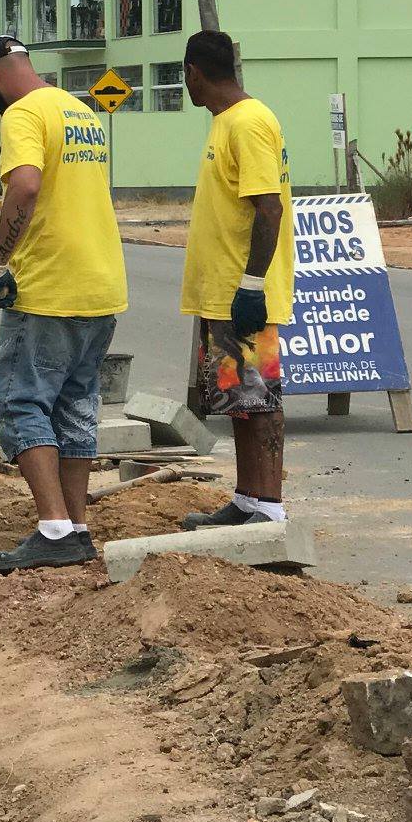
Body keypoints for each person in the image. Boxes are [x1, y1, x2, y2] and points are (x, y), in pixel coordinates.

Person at [0, 34, 129, 572]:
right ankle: (77, 526)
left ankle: (54, 529)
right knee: (75, 405)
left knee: (18, 402)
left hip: (50, 286)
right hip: (100, 282)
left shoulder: (21, 114)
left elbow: (27, 186)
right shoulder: (79, 110)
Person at [176, 29, 294, 528]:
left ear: (194, 74)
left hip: (241, 293)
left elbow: (269, 207)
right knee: (240, 402)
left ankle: (269, 508)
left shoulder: (247, 123)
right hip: (222, 293)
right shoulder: (228, 121)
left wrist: (251, 285)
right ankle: (247, 499)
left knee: (259, 400)